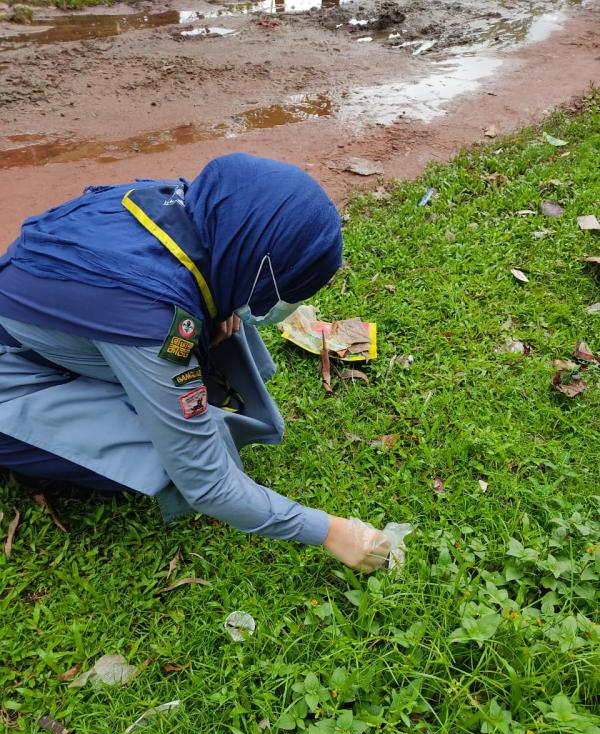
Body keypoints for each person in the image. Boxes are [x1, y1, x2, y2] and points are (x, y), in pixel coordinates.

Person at [0, 153, 391, 572]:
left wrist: (216, 306)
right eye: (293, 291)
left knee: (224, 309)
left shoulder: (182, 204)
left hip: (55, 327)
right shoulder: (156, 320)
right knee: (167, 458)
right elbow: (207, 483)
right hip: (17, 375)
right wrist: (332, 532)